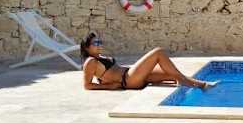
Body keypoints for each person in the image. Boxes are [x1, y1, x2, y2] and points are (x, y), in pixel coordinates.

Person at [80, 32, 218, 90]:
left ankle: (194, 84)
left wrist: (106, 81)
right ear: (86, 47)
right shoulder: (90, 62)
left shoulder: (99, 58)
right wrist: (110, 86)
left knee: (171, 73)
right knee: (158, 52)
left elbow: (104, 75)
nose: (99, 45)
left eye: (99, 42)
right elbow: (87, 85)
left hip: (131, 75)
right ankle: (200, 84)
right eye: (95, 43)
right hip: (128, 79)